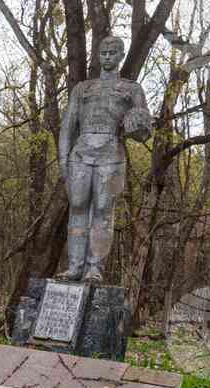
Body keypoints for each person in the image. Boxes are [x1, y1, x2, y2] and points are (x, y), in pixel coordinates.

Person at [57, 34, 152, 283]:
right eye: (103, 53)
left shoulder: (132, 89)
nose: (107, 57)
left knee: (103, 209)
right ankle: (75, 266)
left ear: (121, 56)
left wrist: (138, 123)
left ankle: (94, 267)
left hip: (111, 152)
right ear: (98, 56)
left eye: (112, 53)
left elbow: (143, 128)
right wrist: (62, 160)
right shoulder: (83, 88)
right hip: (81, 152)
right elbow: (68, 126)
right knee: (77, 206)